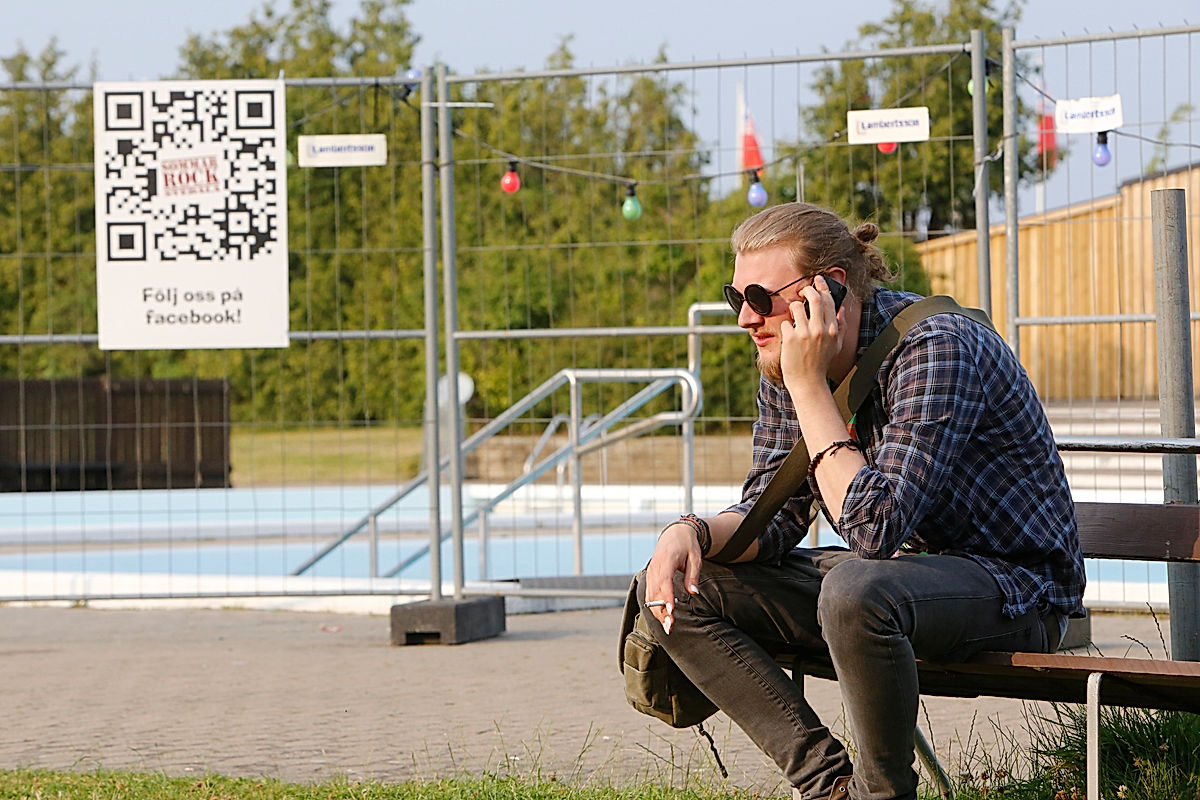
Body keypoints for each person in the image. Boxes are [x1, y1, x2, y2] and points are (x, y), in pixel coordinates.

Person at [639, 202, 1085, 800]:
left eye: (761, 296)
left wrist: (808, 385)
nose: (747, 317)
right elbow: (772, 519)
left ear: (831, 286)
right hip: (899, 584)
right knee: (676, 583)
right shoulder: (786, 361)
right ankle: (829, 787)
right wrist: (690, 532)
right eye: (735, 296)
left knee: (855, 591)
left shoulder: (937, 348)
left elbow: (875, 529)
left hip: (1014, 590)